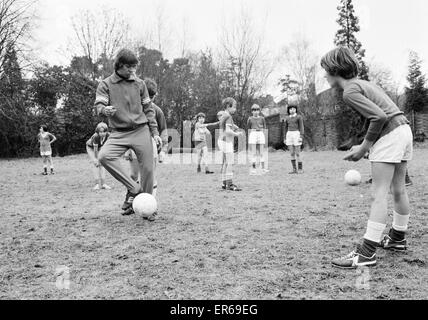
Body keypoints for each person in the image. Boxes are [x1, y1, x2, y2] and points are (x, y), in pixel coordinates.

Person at [321, 47, 413, 269]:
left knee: (378, 195)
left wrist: (364, 147)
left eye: (325, 71)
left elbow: (379, 116)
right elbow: (382, 113)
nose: (324, 76)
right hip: (404, 131)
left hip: (390, 133)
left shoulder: (350, 91)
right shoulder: (364, 84)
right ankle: (397, 239)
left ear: (335, 70)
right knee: (398, 189)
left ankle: (366, 253)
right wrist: (367, 145)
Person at [94, 49, 161, 217]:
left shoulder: (140, 84)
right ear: (119, 65)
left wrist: (155, 132)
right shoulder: (105, 84)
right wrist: (104, 110)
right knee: (103, 156)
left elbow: (149, 109)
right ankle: (134, 188)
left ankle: (148, 208)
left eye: (134, 67)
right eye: (129, 67)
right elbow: (98, 106)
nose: (132, 71)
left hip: (141, 130)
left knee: (147, 169)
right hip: (118, 133)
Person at [124, 78, 168, 207]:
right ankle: (131, 199)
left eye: (153, 96)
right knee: (133, 174)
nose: (151, 99)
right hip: (133, 144)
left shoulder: (157, 110)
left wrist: (163, 150)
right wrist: (127, 148)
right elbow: (125, 129)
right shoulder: (132, 110)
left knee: (150, 176)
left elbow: (164, 130)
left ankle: (150, 205)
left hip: (150, 145)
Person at [218, 97, 244, 191]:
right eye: (234, 107)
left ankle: (224, 183)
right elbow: (228, 131)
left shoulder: (224, 115)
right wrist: (237, 134)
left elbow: (228, 126)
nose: (235, 109)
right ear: (228, 106)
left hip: (221, 141)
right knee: (230, 163)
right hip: (226, 141)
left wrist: (235, 127)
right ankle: (230, 184)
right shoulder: (228, 116)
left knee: (226, 163)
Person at [86, 122, 111, 190]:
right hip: (91, 148)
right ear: (98, 131)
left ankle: (103, 184)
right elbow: (95, 149)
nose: (102, 133)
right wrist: (96, 159)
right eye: (100, 132)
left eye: (104, 132)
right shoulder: (96, 136)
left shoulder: (109, 135)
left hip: (100, 148)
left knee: (102, 164)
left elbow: (107, 146)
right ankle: (97, 184)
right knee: (96, 164)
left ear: (106, 131)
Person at [247, 104, 268, 175]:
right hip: (253, 134)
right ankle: (253, 169)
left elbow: (264, 127)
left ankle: (263, 168)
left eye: (257, 110)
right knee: (253, 153)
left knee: (261, 153)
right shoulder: (250, 119)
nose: (256, 112)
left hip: (260, 134)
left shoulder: (262, 118)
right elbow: (249, 127)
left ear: (259, 111)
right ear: (252, 111)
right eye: (254, 110)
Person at [284, 104, 304, 174]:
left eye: (293, 109)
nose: (292, 110)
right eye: (290, 109)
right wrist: (284, 138)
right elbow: (285, 128)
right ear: (288, 110)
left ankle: (300, 169)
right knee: (292, 153)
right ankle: (294, 169)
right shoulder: (287, 118)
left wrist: (301, 136)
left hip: (296, 134)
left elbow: (301, 127)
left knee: (298, 153)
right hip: (289, 135)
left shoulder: (299, 117)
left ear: (296, 109)